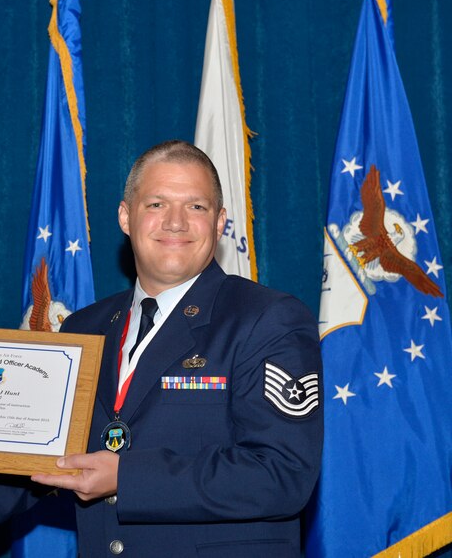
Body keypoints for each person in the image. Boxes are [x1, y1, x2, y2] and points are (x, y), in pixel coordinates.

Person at [31, 140, 323, 557]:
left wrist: (128, 478)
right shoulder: (83, 328)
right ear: (125, 217)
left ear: (220, 222)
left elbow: (282, 474)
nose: (175, 222)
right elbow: (39, 454)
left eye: (196, 207)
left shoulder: (268, 320)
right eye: (156, 204)